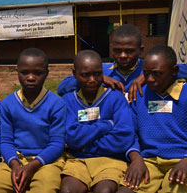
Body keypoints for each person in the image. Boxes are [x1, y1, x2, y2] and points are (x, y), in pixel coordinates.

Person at [0, 48, 66, 193]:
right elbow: (6, 141)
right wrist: (14, 165)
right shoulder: (8, 104)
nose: (31, 77)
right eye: (25, 72)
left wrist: (33, 166)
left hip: (47, 162)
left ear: (46, 73)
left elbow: (57, 143)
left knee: (45, 189)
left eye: (37, 73)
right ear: (17, 72)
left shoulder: (56, 104)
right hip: (15, 160)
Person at [60, 50, 134, 193]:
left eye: (97, 74)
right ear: (74, 73)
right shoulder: (68, 100)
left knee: (104, 190)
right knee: (67, 189)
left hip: (110, 159)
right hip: (78, 160)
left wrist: (84, 146)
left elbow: (123, 138)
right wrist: (106, 125)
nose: (92, 79)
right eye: (85, 75)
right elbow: (70, 136)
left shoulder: (115, 98)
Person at [119, 45, 187, 193]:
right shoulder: (139, 95)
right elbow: (130, 133)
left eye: (156, 74)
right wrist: (136, 158)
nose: (149, 79)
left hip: (182, 160)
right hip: (148, 161)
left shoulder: (185, 94)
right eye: (146, 73)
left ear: (174, 71)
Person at [57, 24, 144, 97]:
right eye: (117, 51)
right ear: (111, 49)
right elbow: (62, 88)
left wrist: (148, 75)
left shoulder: (149, 69)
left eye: (129, 51)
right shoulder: (100, 71)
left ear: (141, 50)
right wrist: (100, 78)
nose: (123, 56)